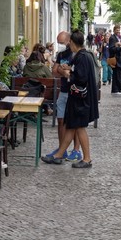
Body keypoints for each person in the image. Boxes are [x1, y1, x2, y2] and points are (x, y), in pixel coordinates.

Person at [42, 30, 99, 168]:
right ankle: (59, 154)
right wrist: (70, 69)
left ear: (72, 43)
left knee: (79, 127)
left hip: (80, 99)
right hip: (78, 98)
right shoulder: (83, 55)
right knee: (71, 127)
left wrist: (68, 74)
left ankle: (86, 159)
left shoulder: (82, 57)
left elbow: (81, 78)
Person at [45, 31, 83, 161]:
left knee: (76, 123)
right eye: (58, 42)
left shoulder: (79, 55)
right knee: (61, 121)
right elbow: (54, 71)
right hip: (64, 91)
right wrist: (63, 71)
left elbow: (76, 73)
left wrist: (64, 71)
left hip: (75, 92)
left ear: (69, 41)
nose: (60, 45)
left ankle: (76, 150)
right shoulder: (62, 54)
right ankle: (62, 149)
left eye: (61, 42)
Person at [108, 25, 121, 95]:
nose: (118, 31)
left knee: (118, 74)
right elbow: (111, 49)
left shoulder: (117, 37)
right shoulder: (112, 38)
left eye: (119, 30)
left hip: (117, 59)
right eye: (117, 30)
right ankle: (115, 90)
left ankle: (117, 90)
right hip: (116, 59)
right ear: (114, 30)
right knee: (117, 75)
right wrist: (120, 48)